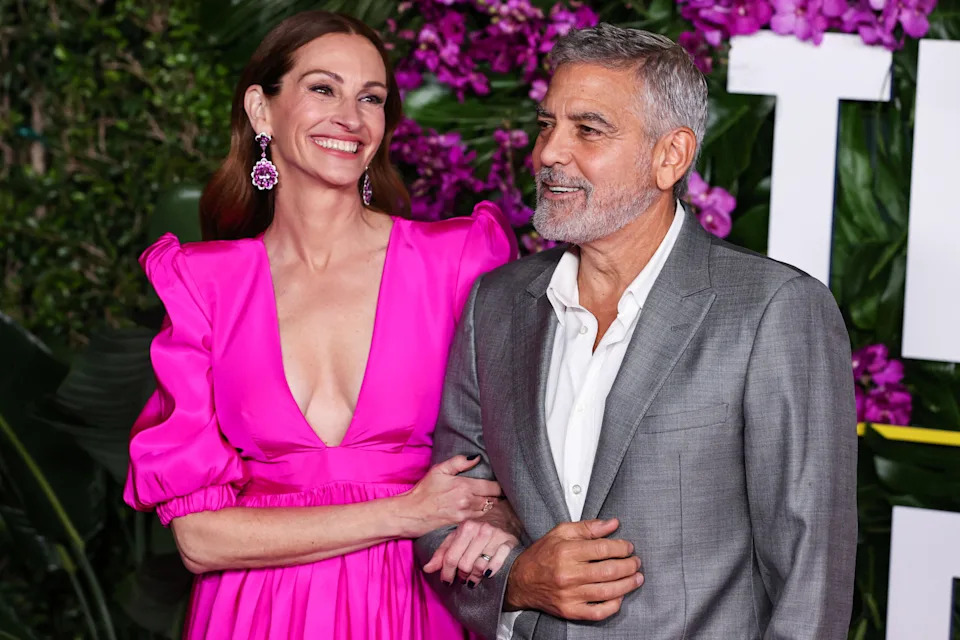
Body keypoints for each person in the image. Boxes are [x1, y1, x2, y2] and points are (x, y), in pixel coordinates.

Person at [416, 23, 858, 640]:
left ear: (670, 156)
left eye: (588, 130)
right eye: (546, 125)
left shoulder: (774, 311)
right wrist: (517, 580)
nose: (548, 153)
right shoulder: (497, 305)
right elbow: (448, 506)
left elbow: (811, 575)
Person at [123, 11, 517, 639]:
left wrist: (496, 520)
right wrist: (405, 512)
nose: (350, 118)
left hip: (418, 605)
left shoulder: (457, 260)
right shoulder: (204, 284)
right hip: (254, 617)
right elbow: (200, 539)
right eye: (323, 89)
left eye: (371, 98)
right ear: (261, 110)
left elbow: (525, 456)